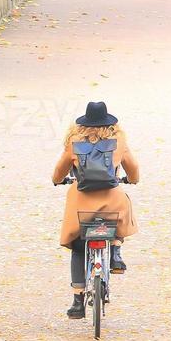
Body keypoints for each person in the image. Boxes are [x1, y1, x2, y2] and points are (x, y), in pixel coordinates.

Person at [52, 101, 140, 319]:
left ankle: (77, 300)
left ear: (84, 123)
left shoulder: (74, 142)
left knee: (78, 246)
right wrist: (132, 179)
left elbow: (58, 172)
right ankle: (116, 253)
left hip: (81, 205)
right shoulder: (118, 141)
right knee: (122, 209)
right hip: (112, 202)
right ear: (108, 123)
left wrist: (57, 180)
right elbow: (134, 169)